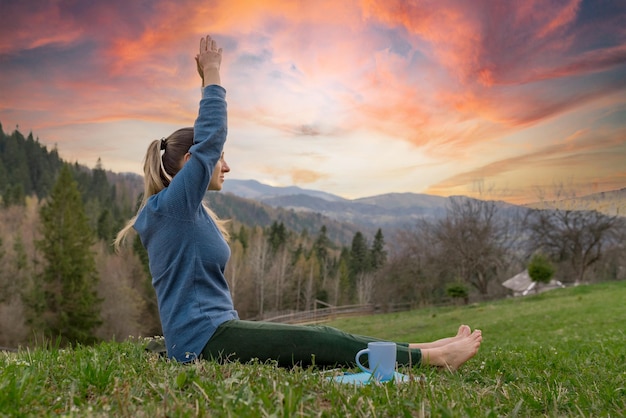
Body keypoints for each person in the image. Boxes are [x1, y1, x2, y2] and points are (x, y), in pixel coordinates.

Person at [115, 34, 482, 371]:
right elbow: (209, 138)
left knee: (324, 338)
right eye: (218, 158)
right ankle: (432, 359)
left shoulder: (182, 211)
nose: (225, 165)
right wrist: (211, 73)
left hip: (212, 333)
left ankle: (423, 347)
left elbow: (205, 146)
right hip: (204, 342)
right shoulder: (173, 207)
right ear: (191, 163)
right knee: (320, 339)